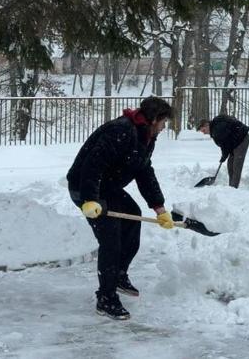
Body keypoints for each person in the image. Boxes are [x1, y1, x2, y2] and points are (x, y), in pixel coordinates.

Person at [67, 96, 174, 321]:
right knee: (111, 240)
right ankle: (105, 297)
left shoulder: (146, 136)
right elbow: (92, 165)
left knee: (133, 217)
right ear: (154, 119)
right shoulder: (120, 131)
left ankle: (119, 274)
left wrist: (159, 207)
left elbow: (144, 171)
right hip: (86, 187)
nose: (164, 128)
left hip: (108, 187)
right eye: (164, 122)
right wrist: (89, 199)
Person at [197, 115, 249, 188]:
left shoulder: (217, 130)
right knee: (230, 165)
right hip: (234, 141)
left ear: (207, 125)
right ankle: (231, 186)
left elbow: (225, 145)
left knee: (237, 165)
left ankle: (233, 189)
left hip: (242, 139)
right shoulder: (215, 128)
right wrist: (224, 156)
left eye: (203, 130)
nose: (204, 133)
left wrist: (224, 156)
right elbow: (225, 143)